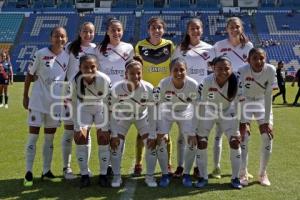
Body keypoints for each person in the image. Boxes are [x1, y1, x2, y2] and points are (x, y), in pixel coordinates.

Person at [23, 26, 69, 187]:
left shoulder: (67, 56)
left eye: (62, 36)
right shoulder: (41, 53)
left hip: (55, 105)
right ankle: (28, 172)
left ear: (66, 39)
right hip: (37, 101)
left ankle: (46, 171)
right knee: (33, 137)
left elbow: (67, 79)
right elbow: (29, 75)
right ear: (51, 38)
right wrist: (25, 96)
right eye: (56, 36)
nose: (59, 39)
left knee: (50, 138)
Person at [172, 18, 214, 178]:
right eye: (192, 28)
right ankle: (181, 166)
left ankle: (197, 166)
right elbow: (175, 70)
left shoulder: (210, 49)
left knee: (199, 132)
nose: (195, 31)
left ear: (202, 30)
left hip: (202, 97)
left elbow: (213, 72)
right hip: (184, 96)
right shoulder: (180, 49)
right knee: (183, 133)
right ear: (188, 31)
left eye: (198, 28)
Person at [212, 16, 253, 179]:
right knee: (218, 133)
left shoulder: (248, 46)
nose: (234, 29)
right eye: (231, 27)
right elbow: (212, 68)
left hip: (242, 96)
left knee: (243, 133)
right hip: (222, 94)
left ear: (241, 28)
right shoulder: (219, 46)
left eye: (237, 27)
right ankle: (216, 168)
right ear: (227, 29)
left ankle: (244, 169)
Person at [134, 17, 175, 176]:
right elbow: (138, 68)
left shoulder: (170, 45)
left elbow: (174, 66)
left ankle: (169, 164)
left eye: (159, 28)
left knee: (165, 131)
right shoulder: (140, 46)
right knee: (142, 130)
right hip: (146, 93)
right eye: (153, 28)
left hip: (164, 93)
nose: (156, 30)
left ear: (163, 30)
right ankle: (138, 163)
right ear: (148, 30)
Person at [109, 56, 157, 188]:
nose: (136, 76)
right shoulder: (116, 88)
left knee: (151, 144)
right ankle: (117, 176)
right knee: (116, 144)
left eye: (139, 73)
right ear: (125, 74)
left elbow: (153, 113)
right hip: (123, 117)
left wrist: (152, 134)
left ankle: (150, 177)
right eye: (132, 73)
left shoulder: (148, 88)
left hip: (142, 117)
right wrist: (113, 135)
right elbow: (111, 112)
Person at [196, 56, 242, 189]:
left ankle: (235, 178)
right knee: (202, 142)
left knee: (234, 142)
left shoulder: (237, 82)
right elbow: (201, 103)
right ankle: (203, 177)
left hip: (228, 112)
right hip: (209, 111)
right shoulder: (206, 81)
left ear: (231, 69)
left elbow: (241, 103)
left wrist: (242, 124)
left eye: (226, 68)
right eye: (219, 69)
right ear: (212, 69)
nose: (223, 71)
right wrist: (198, 126)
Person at [96, 18, 134, 177]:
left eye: (119, 30)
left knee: (119, 132)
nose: (116, 33)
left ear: (122, 31)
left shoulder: (129, 48)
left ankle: (114, 164)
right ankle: (105, 168)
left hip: (123, 97)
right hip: (104, 97)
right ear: (107, 31)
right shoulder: (99, 49)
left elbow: (133, 71)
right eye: (113, 30)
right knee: (104, 132)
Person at [62, 22, 97, 180]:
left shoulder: (96, 48)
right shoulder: (70, 47)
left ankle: (85, 168)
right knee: (69, 131)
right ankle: (66, 167)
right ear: (79, 32)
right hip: (70, 94)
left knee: (85, 132)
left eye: (90, 32)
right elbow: (63, 68)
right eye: (85, 31)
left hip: (88, 96)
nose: (87, 34)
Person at [156, 57, 198, 187]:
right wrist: (159, 130)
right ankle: (164, 174)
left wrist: (193, 131)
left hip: (186, 111)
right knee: (161, 140)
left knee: (192, 141)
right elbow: (156, 105)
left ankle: (186, 174)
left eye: (182, 70)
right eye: (175, 70)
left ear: (187, 71)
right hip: (166, 111)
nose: (179, 73)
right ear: (170, 71)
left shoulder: (193, 85)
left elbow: (197, 108)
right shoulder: (163, 83)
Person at [237, 48, 276, 186]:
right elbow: (240, 96)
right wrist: (243, 121)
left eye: (261, 58)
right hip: (245, 102)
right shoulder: (242, 70)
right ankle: (243, 173)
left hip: (261, 102)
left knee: (267, 135)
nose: (258, 61)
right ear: (248, 60)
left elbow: (268, 96)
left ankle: (262, 173)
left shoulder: (271, 70)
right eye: (254, 58)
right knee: (244, 136)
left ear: (265, 58)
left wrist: (266, 121)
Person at [71, 54, 111, 188]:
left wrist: (105, 129)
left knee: (104, 138)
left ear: (97, 67)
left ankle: (103, 175)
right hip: (83, 109)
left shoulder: (104, 79)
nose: (89, 70)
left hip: (101, 109)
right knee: (80, 138)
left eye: (92, 67)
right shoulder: (75, 81)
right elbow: (75, 105)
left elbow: (107, 105)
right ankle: (84, 175)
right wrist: (77, 128)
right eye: (85, 67)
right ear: (80, 68)